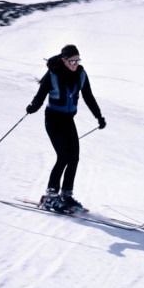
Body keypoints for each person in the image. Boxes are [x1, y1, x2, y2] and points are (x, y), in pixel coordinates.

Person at [26, 44, 106, 212]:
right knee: (63, 156)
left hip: (68, 120)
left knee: (74, 157)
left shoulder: (81, 74)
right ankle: (50, 197)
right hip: (53, 119)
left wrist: (98, 116)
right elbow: (40, 95)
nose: (76, 64)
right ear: (64, 60)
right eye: (72, 61)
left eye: (78, 60)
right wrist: (33, 107)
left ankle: (66, 195)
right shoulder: (53, 74)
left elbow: (88, 96)